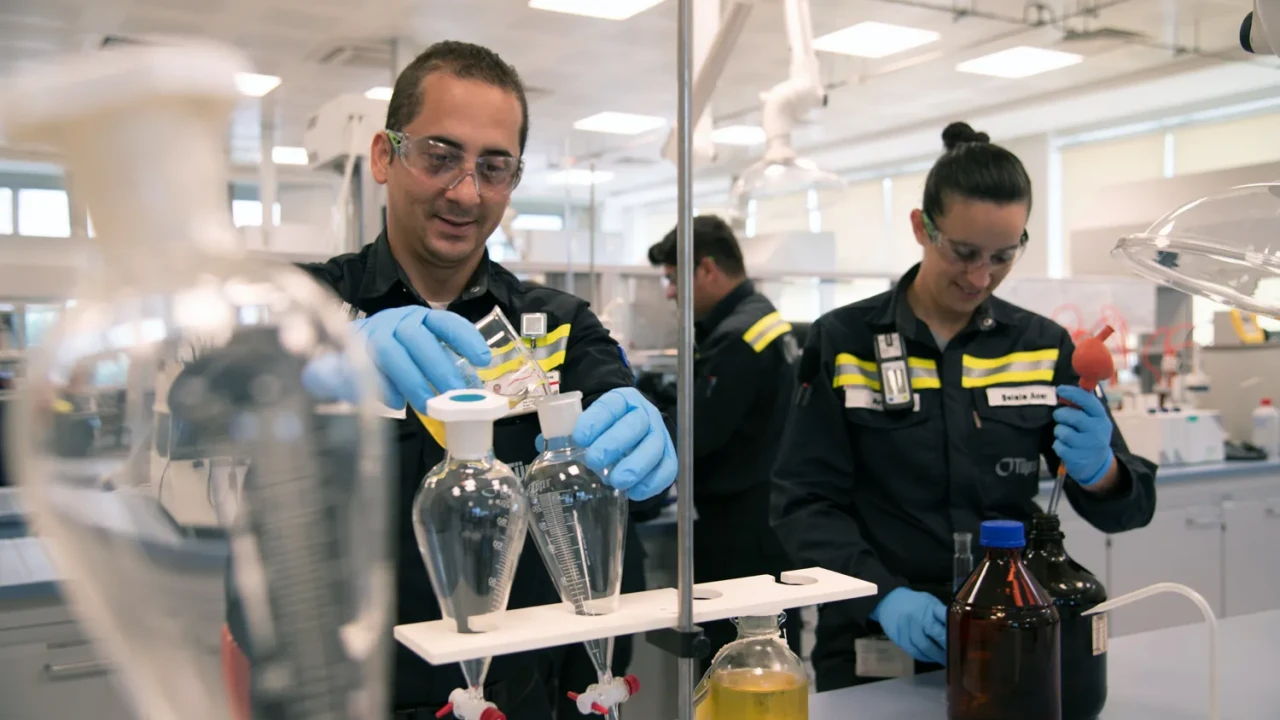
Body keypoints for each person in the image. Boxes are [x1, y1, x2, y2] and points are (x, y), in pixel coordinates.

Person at [222, 41, 676, 719]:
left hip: (515, 699)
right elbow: (213, 394)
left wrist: (643, 446)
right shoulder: (300, 304)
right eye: (440, 156)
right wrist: (322, 359)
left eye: (494, 167)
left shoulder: (555, 326)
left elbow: (621, 451)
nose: (466, 192)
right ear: (385, 156)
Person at [770, 121, 1157, 692]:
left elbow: (1130, 510)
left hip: (1011, 638)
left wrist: (1104, 473)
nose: (982, 276)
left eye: (1004, 255)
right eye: (964, 252)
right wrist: (883, 595)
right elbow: (802, 503)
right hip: (873, 639)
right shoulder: (844, 341)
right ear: (921, 227)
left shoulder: (1043, 347)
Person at [646, 214, 802, 672]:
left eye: (674, 279)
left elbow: (698, 432)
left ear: (707, 270)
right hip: (766, 517)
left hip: (740, 531)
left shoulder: (738, 338)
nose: (670, 292)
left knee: (732, 662)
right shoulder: (761, 318)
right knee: (769, 655)